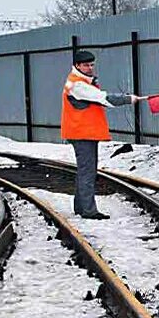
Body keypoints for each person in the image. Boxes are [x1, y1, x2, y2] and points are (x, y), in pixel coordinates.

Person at [61, 50, 143, 219]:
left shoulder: (80, 81)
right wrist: (128, 99)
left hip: (84, 133)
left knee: (85, 170)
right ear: (77, 65)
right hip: (82, 133)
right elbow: (102, 98)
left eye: (92, 64)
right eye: (86, 65)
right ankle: (89, 211)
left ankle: (81, 207)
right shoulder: (77, 85)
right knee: (88, 172)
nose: (90, 68)